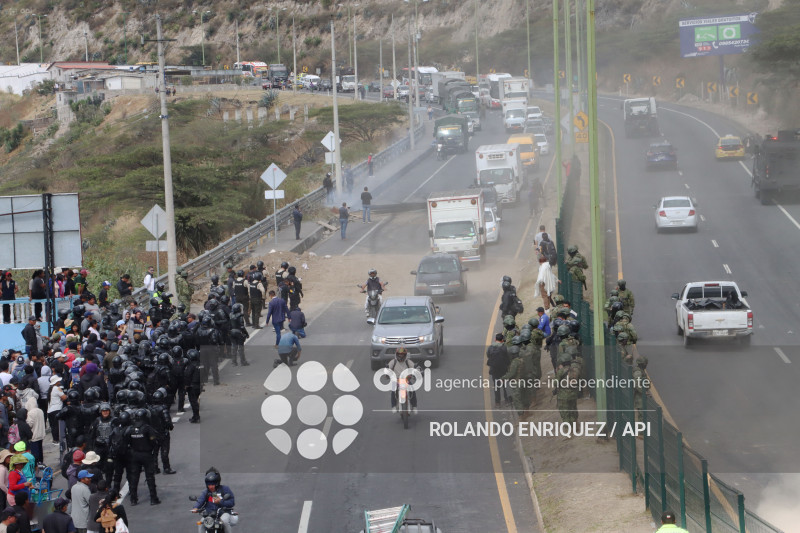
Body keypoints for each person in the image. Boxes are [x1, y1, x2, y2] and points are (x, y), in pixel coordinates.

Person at [123, 409, 160, 506]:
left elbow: (126, 441)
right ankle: (153, 498)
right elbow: (154, 441)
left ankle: (133, 499)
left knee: (134, 477)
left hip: (135, 455)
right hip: (146, 454)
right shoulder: (147, 428)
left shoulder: (131, 428)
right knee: (150, 477)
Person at [387, 347, 417, 414]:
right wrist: (387, 373)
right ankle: (394, 406)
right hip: (397, 380)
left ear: (405, 355)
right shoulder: (393, 362)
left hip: (406, 380)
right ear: (396, 354)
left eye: (402, 355)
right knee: (393, 390)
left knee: (412, 389)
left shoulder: (408, 362)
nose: (401, 356)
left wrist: (417, 372)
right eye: (399, 354)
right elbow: (388, 369)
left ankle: (414, 406)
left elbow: (415, 367)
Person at [486, 333, 510, 407]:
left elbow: (488, 355)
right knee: (504, 385)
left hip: (494, 369)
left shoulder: (490, 348)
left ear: (495, 339)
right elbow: (507, 357)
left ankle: (497, 402)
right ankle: (507, 400)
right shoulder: (504, 347)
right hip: (503, 369)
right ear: (502, 340)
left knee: (496, 385)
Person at [183, 350, 202, 424]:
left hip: (193, 386)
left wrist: (186, 385)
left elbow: (187, 376)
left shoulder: (191, 366)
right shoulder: (201, 364)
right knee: (196, 401)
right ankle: (195, 416)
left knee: (193, 402)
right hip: (199, 385)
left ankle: (196, 416)